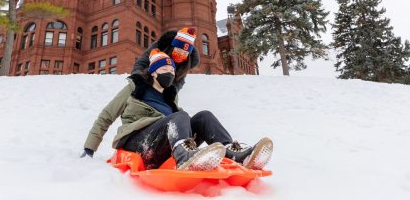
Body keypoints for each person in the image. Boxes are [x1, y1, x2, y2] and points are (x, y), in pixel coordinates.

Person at [81, 49, 273, 171]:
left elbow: (179, 121)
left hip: (164, 145)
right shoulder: (134, 87)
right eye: (165, 71)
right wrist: (89, 149)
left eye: (172, 72)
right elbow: (106, 116)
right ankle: (184, 158)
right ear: (153, 72)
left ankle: (236, 155)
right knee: (179, 116)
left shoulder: (170, 97)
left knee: (203, 116)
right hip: (139, 143)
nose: (170, 75)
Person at [131, 27, 200, 94]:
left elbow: (179, 80)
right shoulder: (158, 47)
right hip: (146, 77)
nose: (181, 54)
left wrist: (170, 92)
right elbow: (142, 63)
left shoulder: (185, 63)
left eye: (185, 53)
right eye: (178, 50)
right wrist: (138, 79)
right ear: (173, 47)